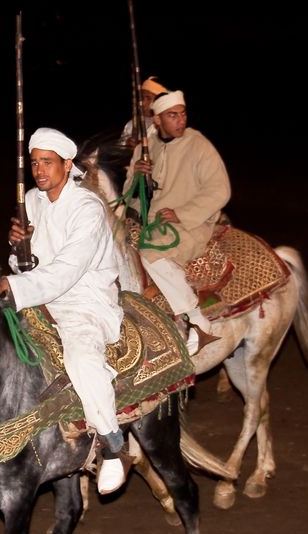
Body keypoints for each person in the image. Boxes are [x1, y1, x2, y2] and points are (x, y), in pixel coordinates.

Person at [0, 127, 127, 495]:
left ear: (67, 165)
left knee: (81, 357)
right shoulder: (32, 201)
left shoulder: (88, 208)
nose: (39, 170)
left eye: (47, 162)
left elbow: (68, 270)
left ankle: (113, 443)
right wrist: (18, 249)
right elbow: (29, 266)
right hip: (42, 296)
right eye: (34, 163)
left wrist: (17, 285)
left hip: (83, 300)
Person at [124, 89, 230, 354]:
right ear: (157, 119)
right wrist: (137, 178)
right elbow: (129, 196)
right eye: (172, 116)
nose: (180, 120)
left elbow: (220, 190)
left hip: (189, 224)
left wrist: (183, 213)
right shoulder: (145, 147)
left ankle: (197, 320)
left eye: (182, 114)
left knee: (150, 253)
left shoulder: (198, 144)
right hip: (148, 221)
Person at [119, 76, 168, 149]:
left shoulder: (167, 124)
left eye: (148, 98)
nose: (142, 103)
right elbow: (120, 148)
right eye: (142, 97)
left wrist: (141, 147)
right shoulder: (131, 124)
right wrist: (127, 143)